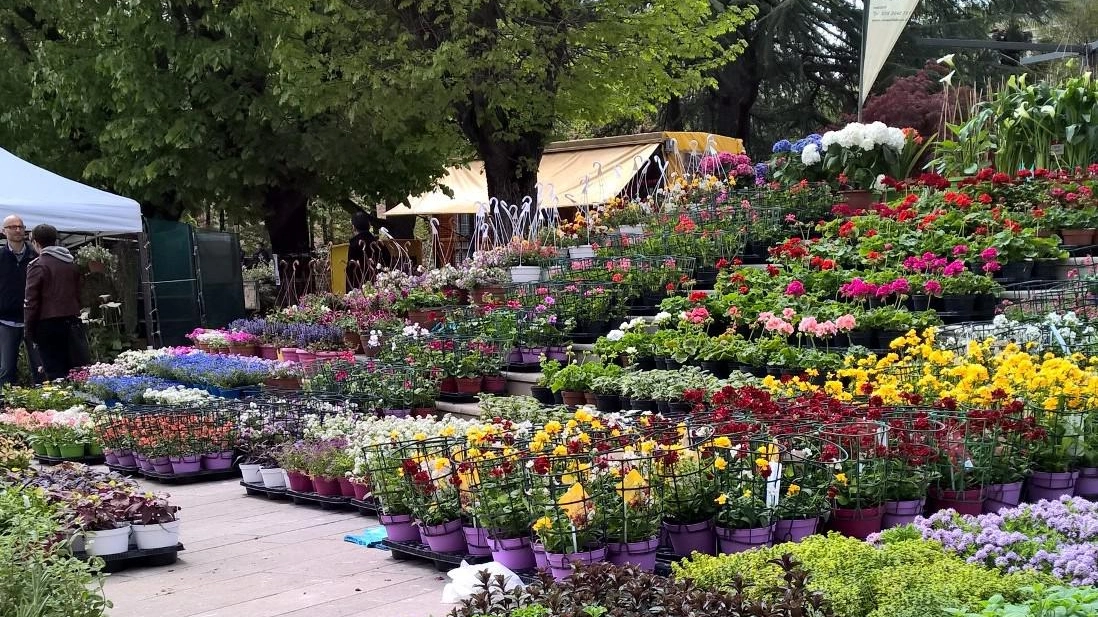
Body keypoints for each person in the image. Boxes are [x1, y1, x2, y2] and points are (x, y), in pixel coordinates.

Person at [24, 224, 83, 381]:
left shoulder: (37, 265)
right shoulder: (70, 263)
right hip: (71, 321)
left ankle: (61, 404)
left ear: (35, 242)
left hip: (47, 324)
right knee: (72, 369)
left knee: (54, 371)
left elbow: (31, 302)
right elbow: (78, 294)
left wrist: (29, 330)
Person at [0, 215, 39, 388]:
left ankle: (48, 406)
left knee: (39, 367)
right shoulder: (0, 256)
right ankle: (5, 408)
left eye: (20, 226)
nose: (17, 230)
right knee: (6, 368)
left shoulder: (36, 256)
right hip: (5, 320)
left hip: (33, 319)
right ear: (3, 231)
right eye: (12, 227)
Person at [345, 211, 391, 292]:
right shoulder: (378, 243)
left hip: (360, 288)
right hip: (380, 286)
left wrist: (350, 292)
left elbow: (351, 269)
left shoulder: (354, 245)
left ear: (353, 227)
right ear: (369, 225)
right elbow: (388, 262)